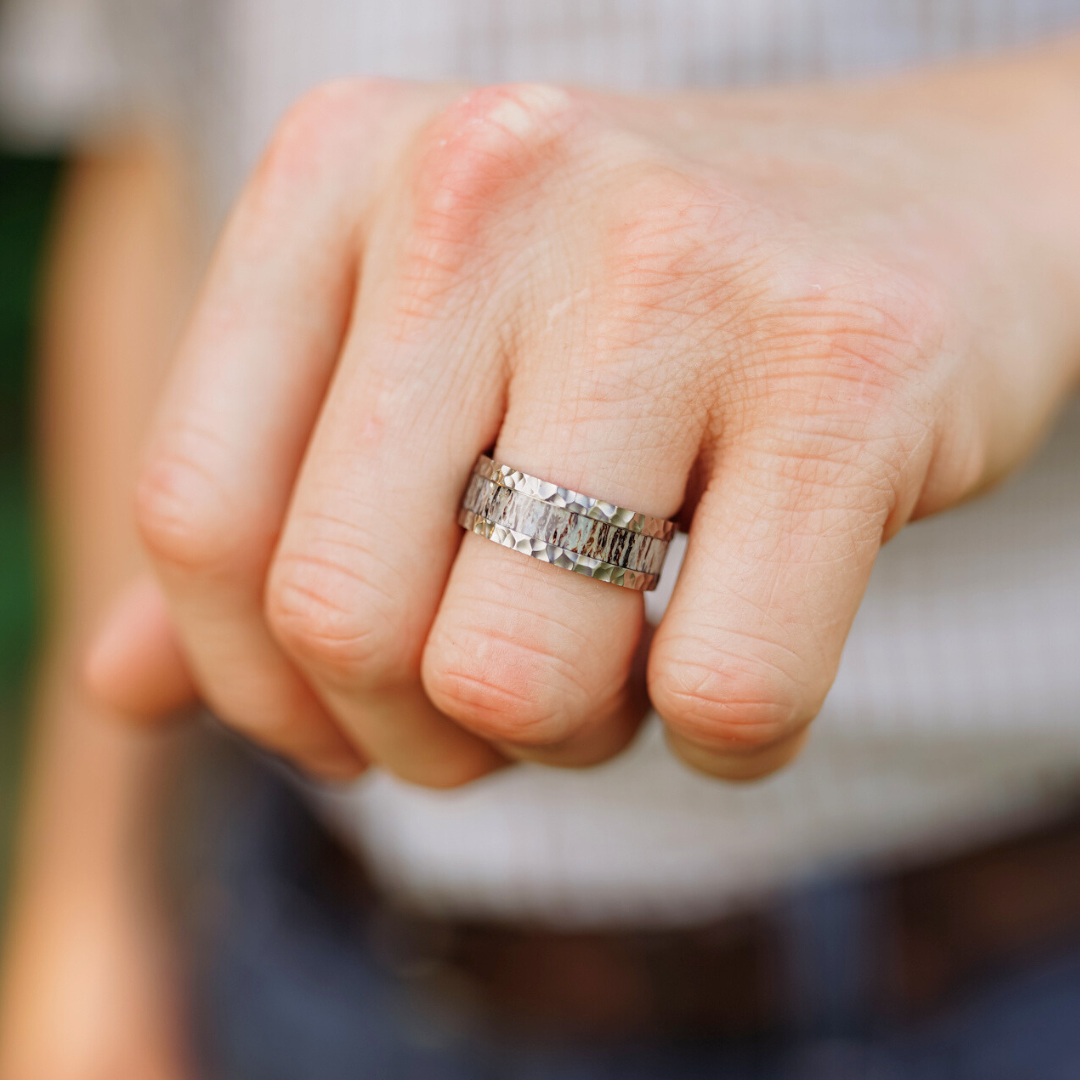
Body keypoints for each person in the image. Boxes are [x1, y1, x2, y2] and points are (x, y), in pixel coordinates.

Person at [2, 2, 1080, 1076]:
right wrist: (84, 901)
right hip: (328, 963)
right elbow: (165, 145)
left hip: (1021, 939)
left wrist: (1026, 159)